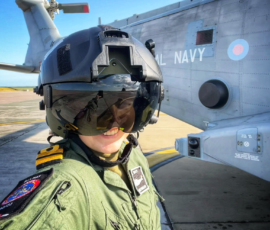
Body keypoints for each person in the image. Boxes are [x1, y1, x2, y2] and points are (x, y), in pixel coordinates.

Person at [0, 26, 164, 230]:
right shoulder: (63, 187)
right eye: (90, 107)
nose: (113, 123)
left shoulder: (132, 154)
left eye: (123, 103)